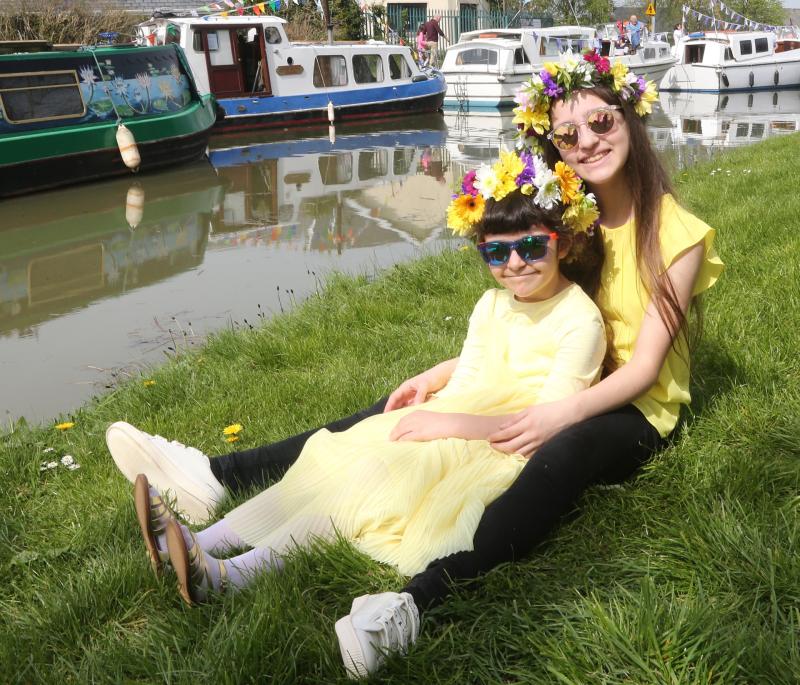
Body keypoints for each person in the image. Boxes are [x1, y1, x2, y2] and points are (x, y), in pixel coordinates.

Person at [107, 52, 723, 678]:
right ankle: (218, 480)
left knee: (557, 456)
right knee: (394, 415)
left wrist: (556, 414)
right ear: (554, 146)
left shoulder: (672, 231)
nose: (589, 141)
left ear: (631, 119)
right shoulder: (566, 212)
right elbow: (530, 319)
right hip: (561, 376)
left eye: (602, 122)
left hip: (627, 404)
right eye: (570, 134)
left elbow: (643, 367)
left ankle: (415, 601)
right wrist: (445, 371)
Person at [118, 151, 610, 673]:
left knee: (368, 487)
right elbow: (479, 365)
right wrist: (433, 380)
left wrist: (449, 425)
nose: (515, 264)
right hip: (455, 416)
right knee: (334, 459)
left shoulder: (581, 320)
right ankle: (206, 542)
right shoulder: (492, 304)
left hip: (498, 444)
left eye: (532, 246)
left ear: (564, 239)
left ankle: (230, 574)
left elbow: (548, 418)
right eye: (497, 253)